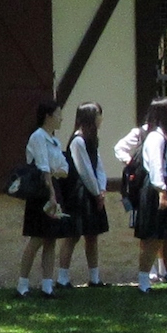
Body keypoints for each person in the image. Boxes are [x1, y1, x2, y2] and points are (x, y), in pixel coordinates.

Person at [134, 97, 167, 293]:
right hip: (159, 189)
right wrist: (162, 192)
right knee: (154, 237)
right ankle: (143, 282)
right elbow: (156, 166)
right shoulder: (155, 138)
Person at [16, 100, 70, 297]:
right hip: (41, 191)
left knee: (51, 239)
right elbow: (43, 167)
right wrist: (51, 195)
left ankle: (47, 286)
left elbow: (65, 168)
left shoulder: (54, 141)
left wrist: (55, 178)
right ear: (48, 116)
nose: (61, 118)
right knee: (37, 238)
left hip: (53, 186)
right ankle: (22, 285)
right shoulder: (38, 137)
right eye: (58, 114)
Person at [57, 102, 110, 287]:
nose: (101, 119)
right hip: (79, 193)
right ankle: (62, 278)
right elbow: (84, 170)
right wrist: (96, 193)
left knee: (92, 234)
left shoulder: (92, 139)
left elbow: (98, 166)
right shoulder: (78, 141)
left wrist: (102, 188)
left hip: (93, 191)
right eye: (98, 115)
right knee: (73, 235)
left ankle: (94, 278)